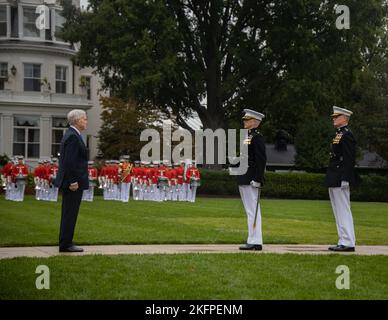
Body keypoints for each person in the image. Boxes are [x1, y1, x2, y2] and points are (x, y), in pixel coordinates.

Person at [54, 109, 89, 253]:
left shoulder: (72, 135)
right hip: (72, 182)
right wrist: (73, 181)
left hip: (72, 180)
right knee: (70, 213)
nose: (86, 121)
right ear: (77, 120)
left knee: (69, 213)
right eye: (85, 119)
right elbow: (70, 162)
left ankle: (66, 241)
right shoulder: (73, 137)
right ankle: (66, 244)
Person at [325, 106, 357, 252]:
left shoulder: (347, 134)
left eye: (336, 117)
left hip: (340, 176)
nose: (334, 119)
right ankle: (343, 239)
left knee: (343, 209)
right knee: (338, 210)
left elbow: (349, 158)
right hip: (334, 176)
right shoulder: (339, 134)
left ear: (344, 119)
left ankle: (348, 241)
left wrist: (346, 178)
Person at [238, 109, 266, 251]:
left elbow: (261, 160)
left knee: (253, 210)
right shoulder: (247, 136)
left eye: (247, 120)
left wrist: (257, 179)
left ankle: (256, 240)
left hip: (251, 178)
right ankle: (252, 238)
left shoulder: (257, 137)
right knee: (250, 210)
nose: (244, 121)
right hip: (245, 176)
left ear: (254, 122)